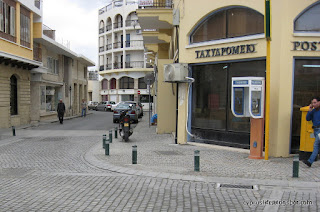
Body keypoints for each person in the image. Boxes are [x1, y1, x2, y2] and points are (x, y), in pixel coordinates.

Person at [303, 97, 320, 167]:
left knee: (316, 145)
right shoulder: (313, 111)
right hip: (315, 130)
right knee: (317, 146)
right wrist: (310, 109)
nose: (313, 104)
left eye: (315, 102)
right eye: (312, 103)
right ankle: (310, 161)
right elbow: (307, 118)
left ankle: (310, 161)